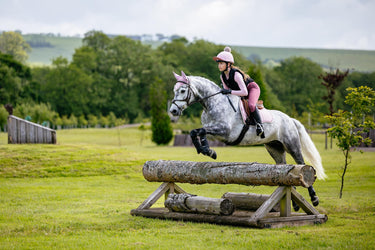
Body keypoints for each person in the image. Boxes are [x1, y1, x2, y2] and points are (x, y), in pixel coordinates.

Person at [213, 46, 264, 137]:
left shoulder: (236, 74)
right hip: (240, 93)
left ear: (228, 64)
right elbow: (227, 93)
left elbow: (245, 93)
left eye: (221, 63)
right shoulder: (222, 76)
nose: (219, 66)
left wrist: (229, 92)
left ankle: (260, 125)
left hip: (251, 89)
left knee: (251, 105)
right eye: (218, 63)